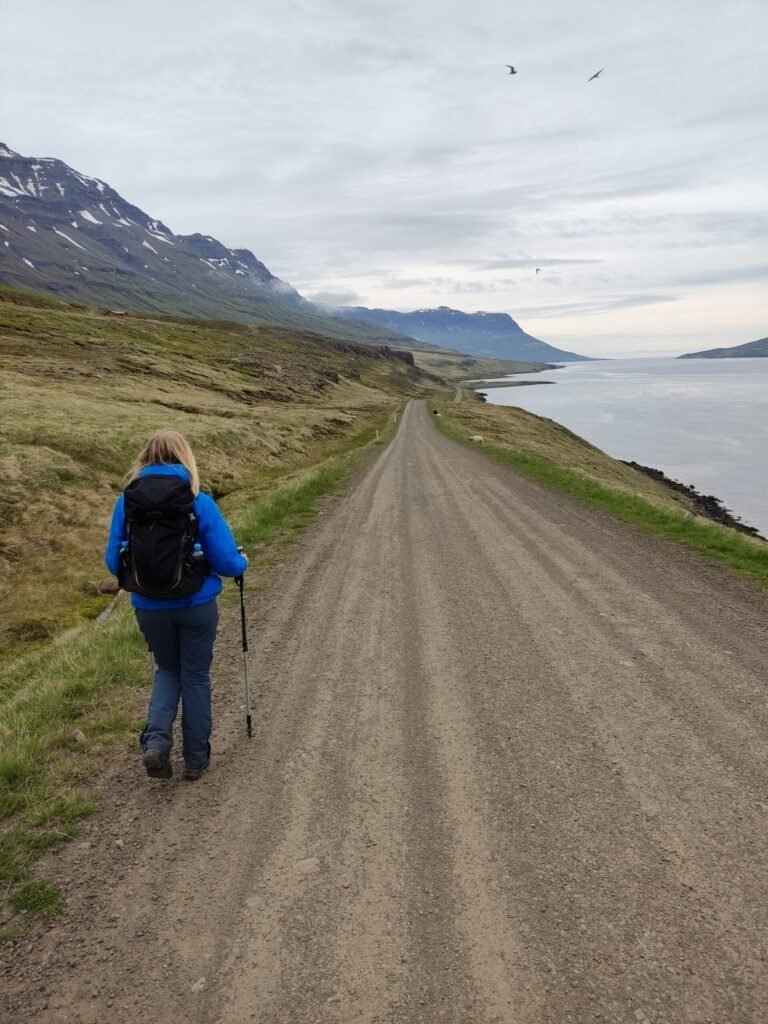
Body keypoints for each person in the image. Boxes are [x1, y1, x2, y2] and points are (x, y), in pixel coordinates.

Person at [105, 430, 247, 781]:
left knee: (167, 671)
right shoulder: (199, 500)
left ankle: (156, 743)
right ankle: (196, 760)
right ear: (184, 458)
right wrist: (242, 563)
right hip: (196, 603)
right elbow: (228, 563)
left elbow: (113, 562)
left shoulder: (127, 502)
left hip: (149, 606)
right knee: (195, 676)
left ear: (145, 458)